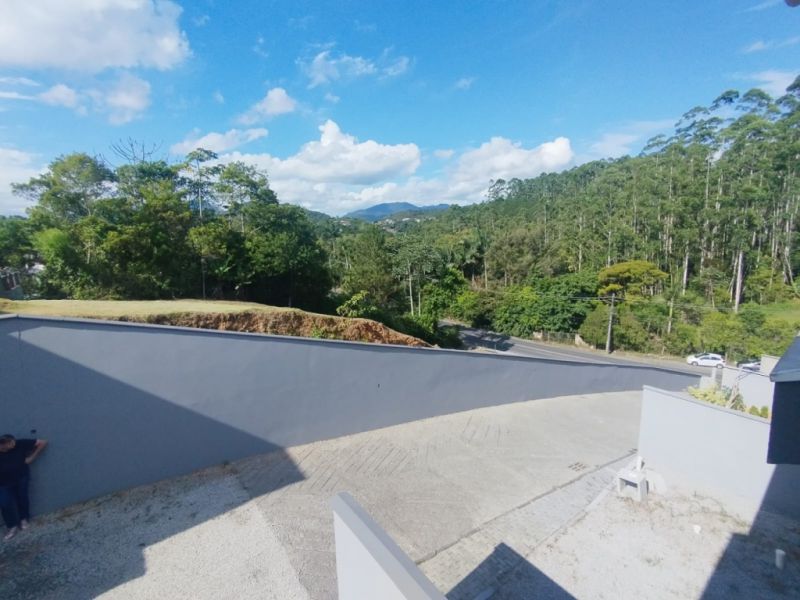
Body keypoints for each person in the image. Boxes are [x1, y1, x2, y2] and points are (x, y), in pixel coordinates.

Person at [0, 434, 47, 541]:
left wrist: (32, 458)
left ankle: (23, 519)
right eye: (11, 444)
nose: (14, 445)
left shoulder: (19, 444)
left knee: (22, 498)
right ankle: (12, 526)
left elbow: (42, 442)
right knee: (5, 503)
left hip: (21, 478)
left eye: (14, 442)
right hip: (3, 484)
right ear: (3, 445)